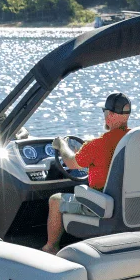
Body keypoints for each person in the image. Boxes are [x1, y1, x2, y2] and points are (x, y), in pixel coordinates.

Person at [42, 91, 132, 252]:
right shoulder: (133, 140)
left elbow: (71, 162)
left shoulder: (98, 144)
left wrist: (61, 145)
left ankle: (50, 248)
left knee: (55, 200)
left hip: (103, 206)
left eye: (105, 112)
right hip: (129, 204)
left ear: (110, 115)